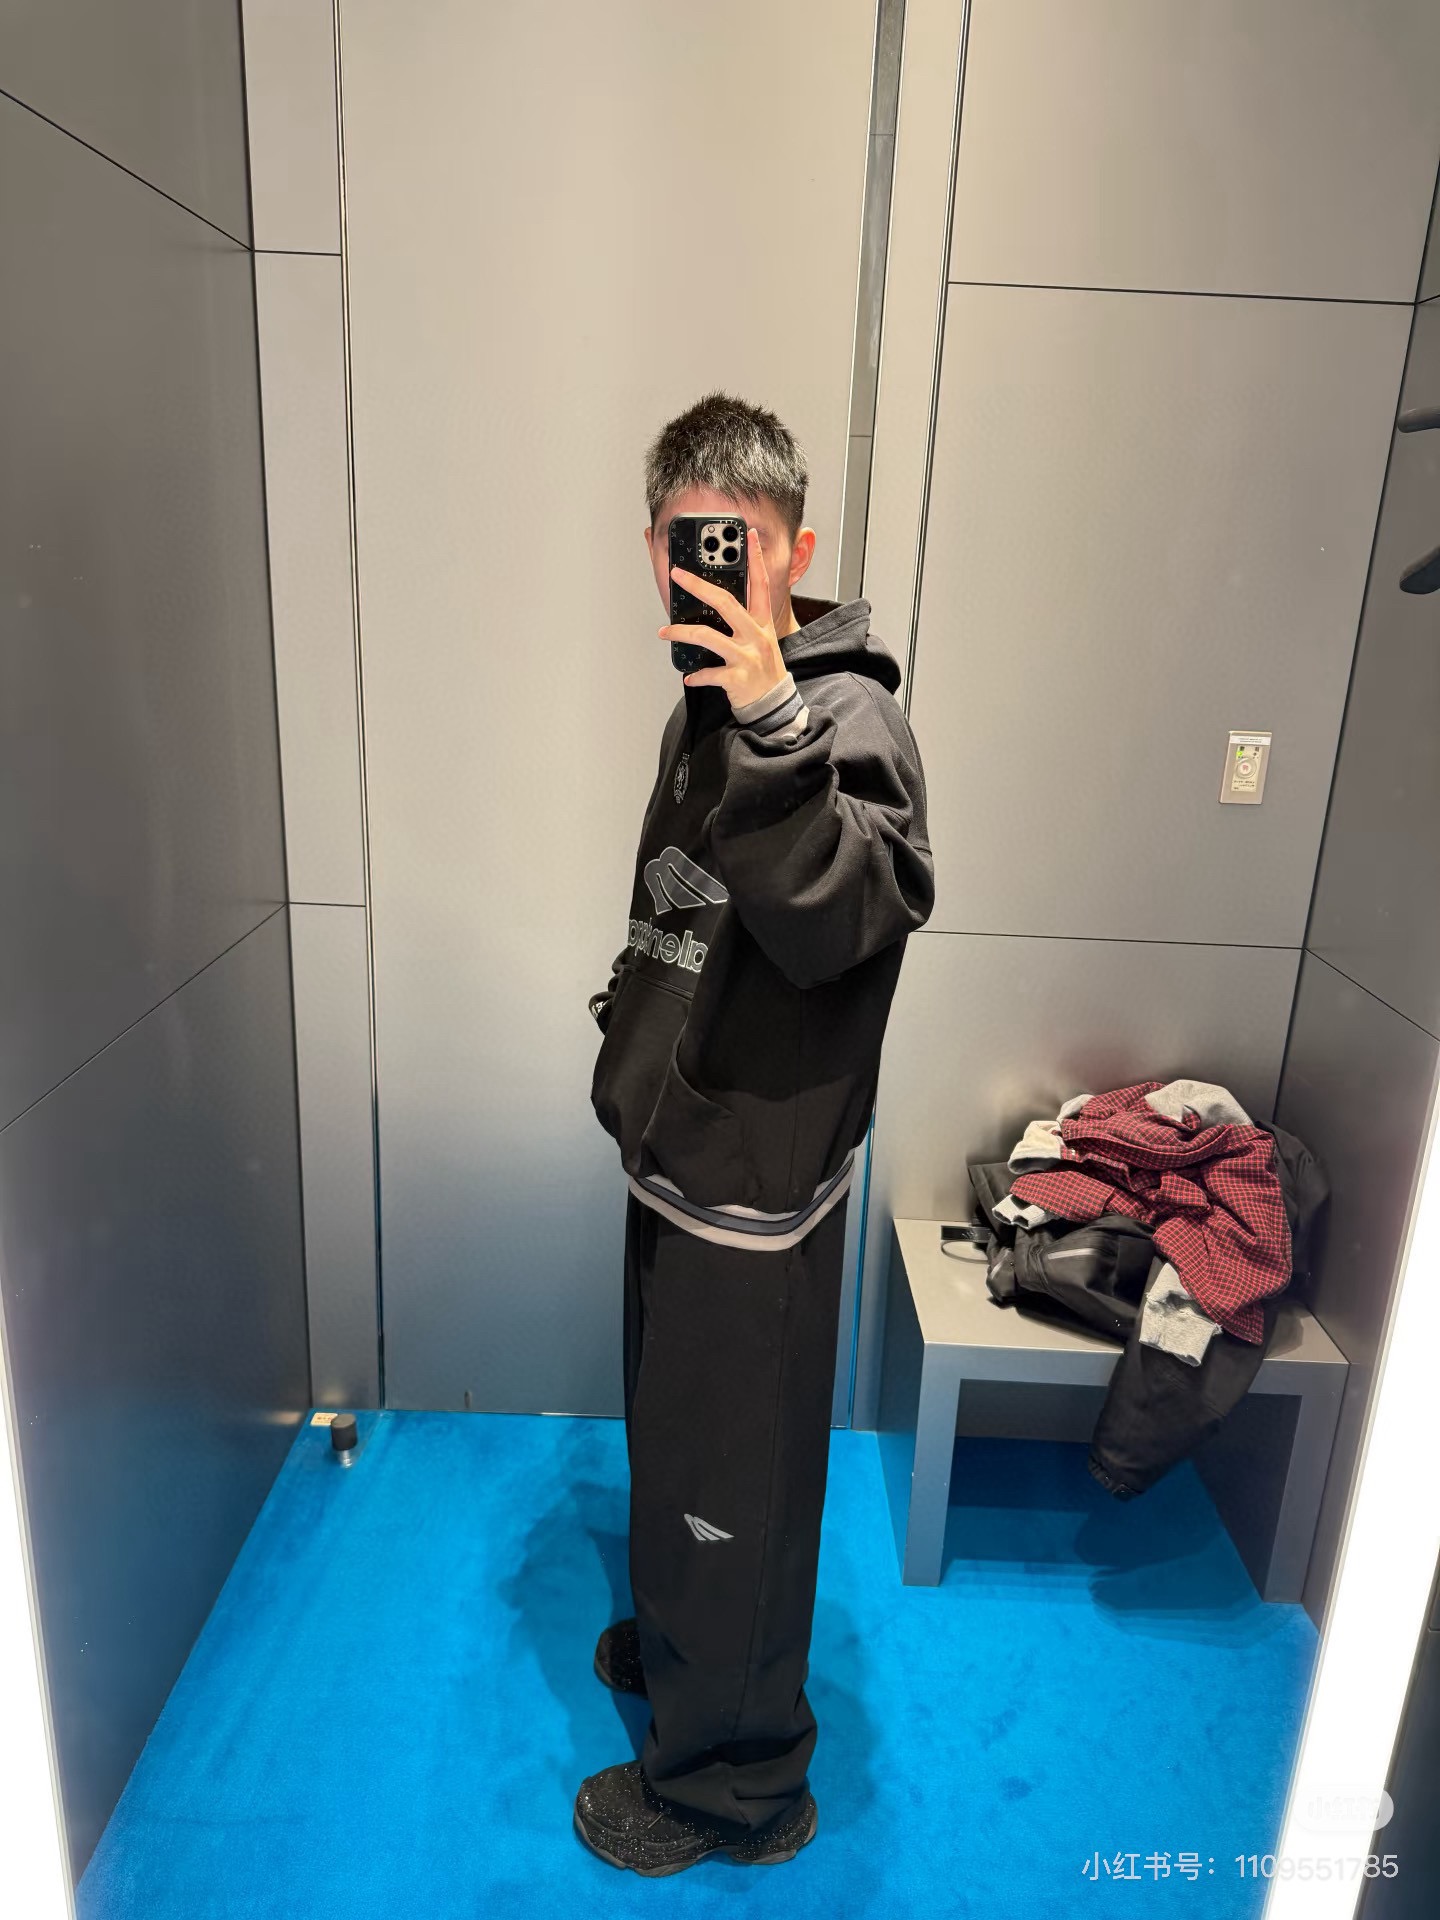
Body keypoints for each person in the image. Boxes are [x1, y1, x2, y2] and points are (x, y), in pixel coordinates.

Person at [574, 391, 934, 1876]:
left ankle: (736, 1785)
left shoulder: (845, 719)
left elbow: (851, 915)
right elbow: (678, 917)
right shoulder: (700, 707)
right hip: (678, 1156)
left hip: (756, 1198)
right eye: (682, 544)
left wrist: (780, 721)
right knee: (677, 1461)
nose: (709, 573)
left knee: (739, 1495)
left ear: (794, 547)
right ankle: (686, 1649)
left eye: (738, 542)